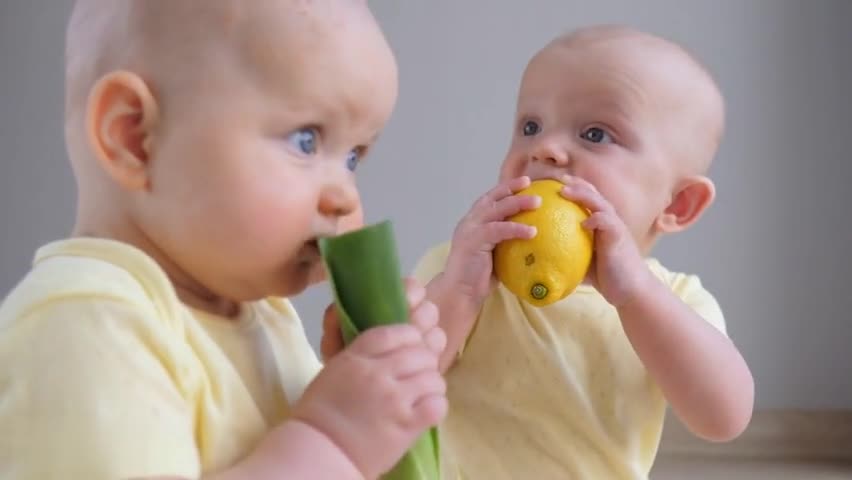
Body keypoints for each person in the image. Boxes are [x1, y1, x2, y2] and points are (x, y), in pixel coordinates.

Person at [0, 1, 447, 479]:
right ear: (135, 137)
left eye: (354, 158)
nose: (344, 196)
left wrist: (373, 396)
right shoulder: (85, 324)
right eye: (306, 140)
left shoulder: (266, 320)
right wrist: (333, 440)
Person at [414, 25, 755, 479]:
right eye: (530, 126)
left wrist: (636, 294)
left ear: (676, 204)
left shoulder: (673, 299)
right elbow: (391, 385)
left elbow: (723, 418)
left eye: (596, 134)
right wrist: (457, 291)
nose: (545, 149)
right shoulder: (457, 269)